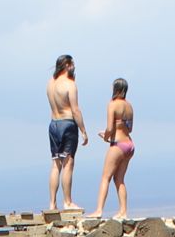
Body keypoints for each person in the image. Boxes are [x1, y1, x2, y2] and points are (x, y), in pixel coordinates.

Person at [88, 78, 135, 220]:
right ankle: (123, 211)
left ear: (115, 89)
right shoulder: (129, 106)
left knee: (105, 177)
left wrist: (105, 136)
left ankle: (99, 210)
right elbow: (130, 129)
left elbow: (110, 128)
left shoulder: (113, 104)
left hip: (118, 145)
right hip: (129, 145)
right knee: (119, 179)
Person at [47, 54, 88, 212]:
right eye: (72, 65)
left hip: (53, 124)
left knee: (55, 163)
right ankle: (68, 201)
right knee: (68, 163)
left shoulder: (50, 83)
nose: (74, 68)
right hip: (67, 123)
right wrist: (83, 130)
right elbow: (75, 110)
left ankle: (52, 203)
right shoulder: (70, 84)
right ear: (67, 65)